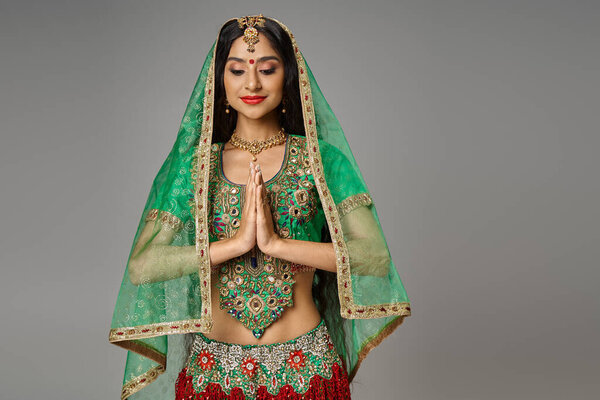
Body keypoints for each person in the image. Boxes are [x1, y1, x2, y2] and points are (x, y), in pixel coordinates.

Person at [108, 14, 411, 400]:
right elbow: (141, 266)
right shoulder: (195, 168)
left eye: (267, 69)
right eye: (237, 71)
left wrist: (276, 245)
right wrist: (232, 246)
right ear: (220, 82)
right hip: (213, 374)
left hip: (306, 369)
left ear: (288, 78)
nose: (252, 83)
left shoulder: (323, 161)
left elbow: (374, 257)